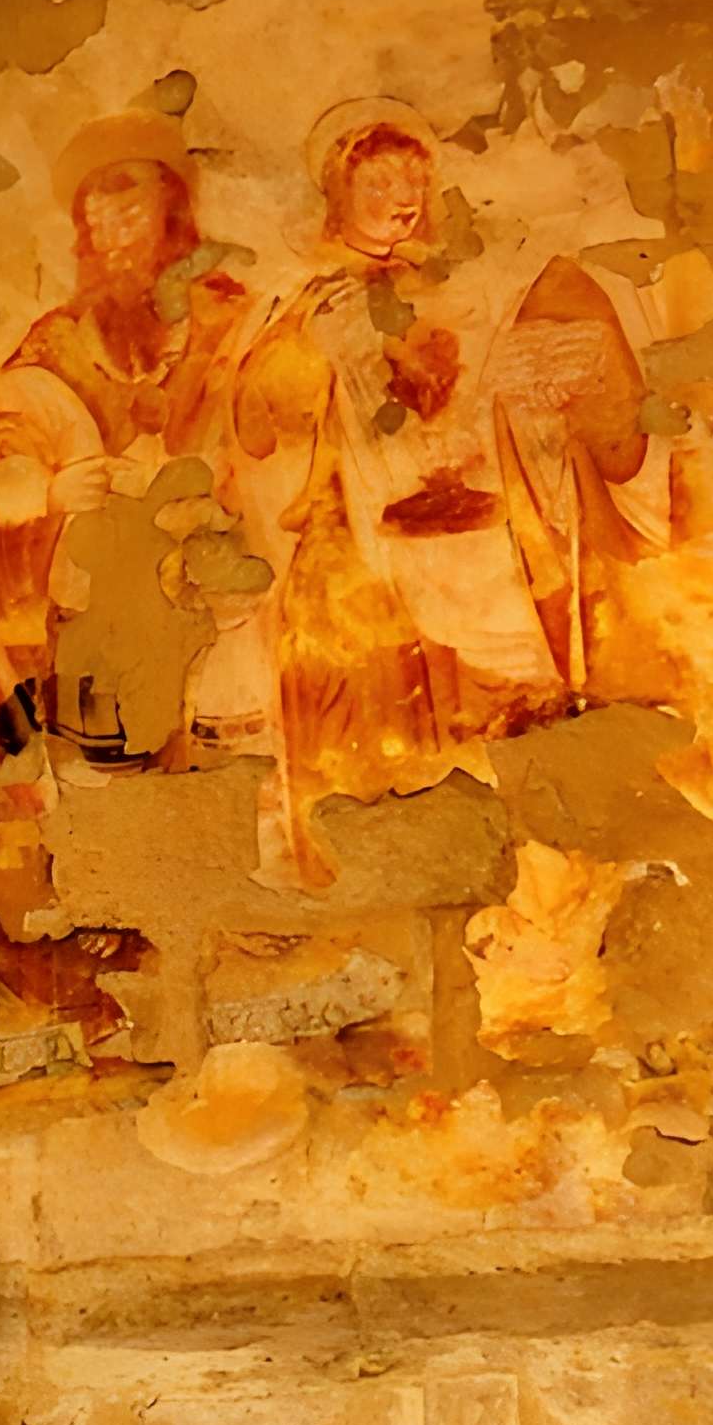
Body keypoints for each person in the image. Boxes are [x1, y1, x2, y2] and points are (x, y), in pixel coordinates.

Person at [229, 102, 560, 880]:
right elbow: (258, 420)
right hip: (351, 529)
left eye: (414, 177)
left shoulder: (456, 289)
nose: (402, 196)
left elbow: (487, 394)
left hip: (457, 530)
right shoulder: (311, 301)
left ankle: (472, 851)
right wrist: (323, 356)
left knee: (482, 674)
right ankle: (358, 855)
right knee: (354, 679)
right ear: (339, 194)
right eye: (379, 180)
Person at [0, 115, 255, 763]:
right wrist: (46, 489)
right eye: (98, 226)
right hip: (106, 608)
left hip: (224, 600)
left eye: (130, 217)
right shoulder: (59, 341)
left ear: (173, 215)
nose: (113, 243)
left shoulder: (232, 316)